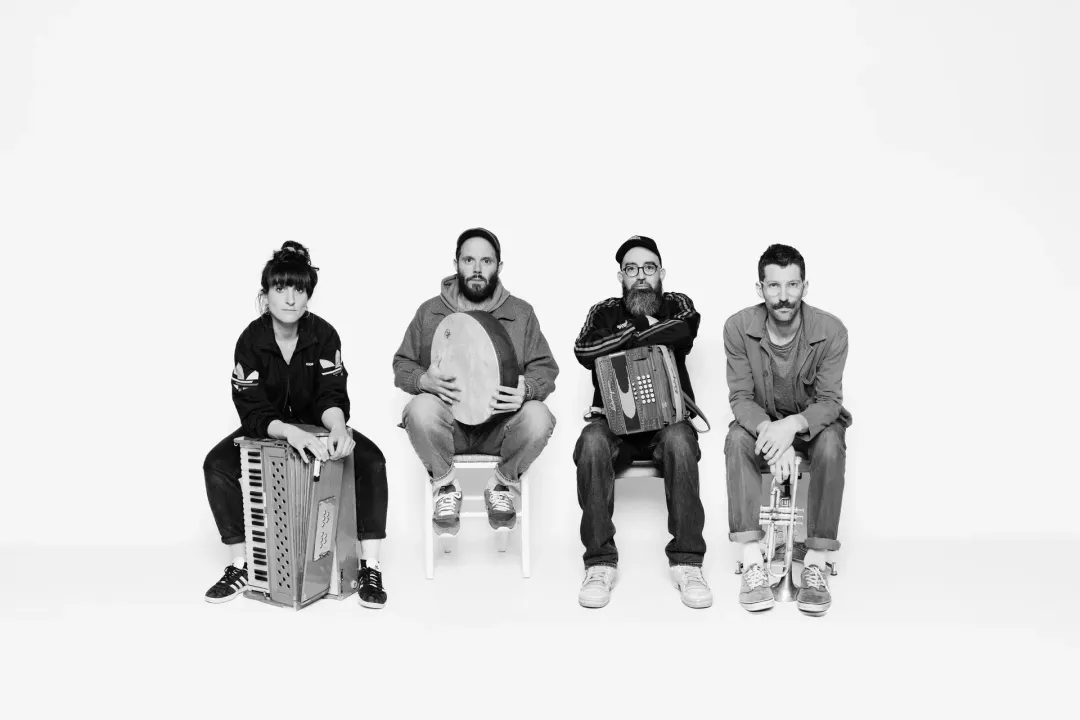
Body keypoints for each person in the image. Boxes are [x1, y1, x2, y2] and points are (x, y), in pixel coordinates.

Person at [202, 241, 390, 609]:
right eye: (280, 288)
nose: (290, 298)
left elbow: (331, 395)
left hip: (317, 425)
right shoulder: (250, 341)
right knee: (216, 466)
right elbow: (251, 410)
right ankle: (240, 565)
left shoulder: (324, 335)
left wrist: (338, 428)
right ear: (266, 294)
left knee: (372, 462)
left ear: (308, 296)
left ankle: (370, 567)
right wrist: (290, 432)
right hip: (268, 429)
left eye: (299, 290)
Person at [572, 235, 710, 609]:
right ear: (621, 276)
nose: (641, 275)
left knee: (681, 441)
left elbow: (683, 329)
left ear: (661, 272)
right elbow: (584, 350)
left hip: (668, 423)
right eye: (631, 269)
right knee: (591, 441)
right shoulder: (604, 311)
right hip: (612, 425)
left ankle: (688, 563)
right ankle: (599, 564)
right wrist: (640, 326)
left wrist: (619, 338)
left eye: (649, 267)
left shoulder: (677, 303)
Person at [394, 228, 558, 537]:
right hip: (449, 428)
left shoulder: (521, 313)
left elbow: (545, 369)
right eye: (469, 260)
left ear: (499, 266)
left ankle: (502, 485)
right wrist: (423, 379)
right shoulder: (430, 312)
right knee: (419, 409)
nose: (477, 269)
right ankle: (445, 487)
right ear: (456, 263)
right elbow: (402, 365)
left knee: (539, 416)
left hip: (501, 427)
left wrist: (527, 389)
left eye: (487, 261)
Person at [723, 243, 851, 615]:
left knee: (832, 442)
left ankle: (815, 561)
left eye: (792, 285)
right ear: (760, 288)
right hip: (761, 425)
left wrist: (791, 428)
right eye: (774, 286)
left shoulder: (832, 330)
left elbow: (829, 401)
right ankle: (752, 560)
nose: (783, 296)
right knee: (735, 439)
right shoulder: (737, 327)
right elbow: (741, 398)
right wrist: (772, 435)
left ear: (804, 287)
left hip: (811, 427)